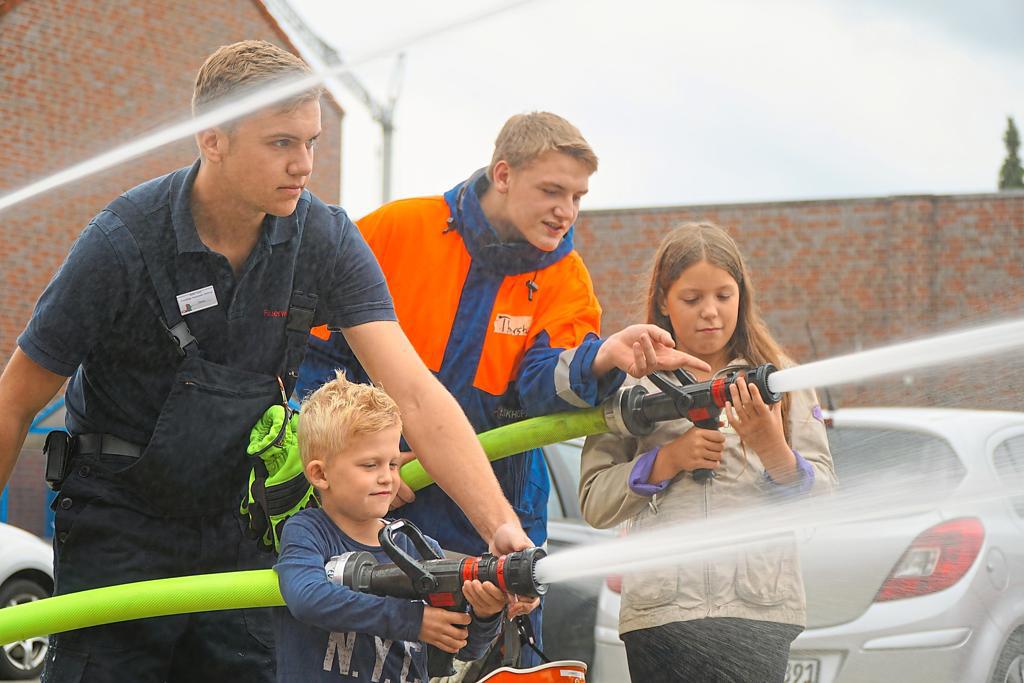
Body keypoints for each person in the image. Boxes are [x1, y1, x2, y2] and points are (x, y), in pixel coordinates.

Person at [0, 40, 530, 682]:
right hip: (119, 528)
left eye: (310, 141)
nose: (303, 164)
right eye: (281, 143)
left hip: (242, 524)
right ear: (212, 140)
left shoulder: (325, 239)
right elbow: (17, 398)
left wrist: (501, 528)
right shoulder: (121, 242)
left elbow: (415, 394)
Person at [295, 112, 710, 665]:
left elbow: (544, 385)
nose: (566, 211)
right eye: (552, 190)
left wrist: (605, 356)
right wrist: (360, 462)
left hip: (497, 513)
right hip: (381, 506)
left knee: (494, 663)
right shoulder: (397, 230)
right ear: (504, 173)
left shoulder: (566, 276)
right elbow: (314, 360)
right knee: (372, 661)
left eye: (579, 196)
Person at [578, 222, 837, 683]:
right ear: (662, 300)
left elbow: (824, 505)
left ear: (743, 294)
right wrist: (667, 460)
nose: (710, 313)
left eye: (724, 295)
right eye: (691, 299)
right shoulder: (628, 384)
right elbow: (594, 502)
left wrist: (771, 447)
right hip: (661, 617)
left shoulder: (783, 381)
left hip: (758, 614)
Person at [275, 372, 527, 682]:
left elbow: (462, 646)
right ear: (320, 474)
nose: (387, 477)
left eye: (393, 464)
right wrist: (412, 621)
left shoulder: (415, 545)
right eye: (371, 465)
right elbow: (306, 597)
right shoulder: (309, 532)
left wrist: (486, 614)